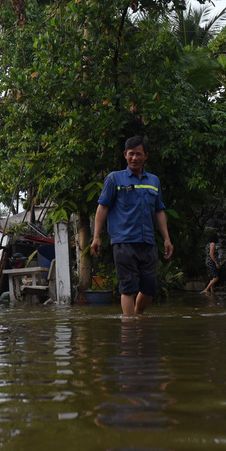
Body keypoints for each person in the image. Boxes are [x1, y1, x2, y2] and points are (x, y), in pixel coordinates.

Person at [91, 136, 174, 317]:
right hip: (123, 242)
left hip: (147, 241)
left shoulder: (153, 181)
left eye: (138, 154)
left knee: (150, 287)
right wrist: (96, 236)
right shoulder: (114, 179)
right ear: (125, 155)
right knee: (128, 287)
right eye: (131, 154)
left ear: (146, 156)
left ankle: (137, 316)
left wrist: (167, 238)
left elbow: (159, 211)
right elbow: (102, 207)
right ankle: (129, 330)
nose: (134, 158)